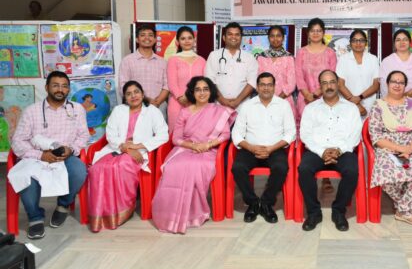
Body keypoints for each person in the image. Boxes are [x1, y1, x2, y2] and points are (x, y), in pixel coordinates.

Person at [8, 71, 89, 239]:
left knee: (79, 171)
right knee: (26, 176)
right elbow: (18, 140)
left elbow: (83, 136)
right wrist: (40, 155)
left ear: (68, 90)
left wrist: (71, 149)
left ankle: (63, 205)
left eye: (64, 86)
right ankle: (35, 218)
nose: (60, 89)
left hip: (65, 156)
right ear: (46, 88)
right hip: (37, 157)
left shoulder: (77, 109)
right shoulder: (32, 111)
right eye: (55, 85)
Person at [152, 76, 235, 233]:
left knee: (196, 166)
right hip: (185, 149)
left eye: (205, 89)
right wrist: (193, 146)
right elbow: (176, 138)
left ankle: (193, 214)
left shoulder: (219, 111)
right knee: (174, 166)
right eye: (198, 90)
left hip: (209, 150)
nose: (202, 93)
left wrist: (207, 145)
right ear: (192, 92)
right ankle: (172, 215)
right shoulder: (184, 112)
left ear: (211, 92)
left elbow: (225, 135)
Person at [87, 81, 168, 232]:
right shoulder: (118, 110)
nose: (133, 96)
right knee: (97, 169)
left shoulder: (152, 111)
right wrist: (125, 147)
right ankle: (101, 214)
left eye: (136, 92)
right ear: (124, 97)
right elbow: (110, 134)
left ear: (142, 94)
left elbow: (163, 135)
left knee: (122, 166)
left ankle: (122, 210)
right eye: (129, 94)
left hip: (140, 151)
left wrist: (138, 146)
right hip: (116, 148)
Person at [368, 70, 412, 226]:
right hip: (388, 148)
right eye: (394, 82)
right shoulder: (378, 105)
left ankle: (403, 209)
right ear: (387, 84)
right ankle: (408, 208)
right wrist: (399, 149)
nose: (397, 85)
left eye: (401, 82)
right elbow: (376, 136)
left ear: (405, 86)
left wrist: (409, 149)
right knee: (387, 173)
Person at [298, 70, 362, 232]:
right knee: (304, 169)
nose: (329, 86)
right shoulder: (311, 108)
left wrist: (339, 150)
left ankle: (338, 211)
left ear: (338, 84)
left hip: (343, 150)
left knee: (352, 170)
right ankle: (314, 213)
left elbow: (355, 134)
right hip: (317, 150)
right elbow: (305, 134)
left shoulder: (351, 108)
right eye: (325, 83)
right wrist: (322, 151)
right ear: (320, 86)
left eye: (332, 82)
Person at [231, 72, 296, 223]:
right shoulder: (247, 106)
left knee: (281, 167)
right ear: (257, 87)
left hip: (275, 148)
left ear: (274, 87)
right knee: (238, 168)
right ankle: (253, 202)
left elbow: (291, 132)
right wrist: (251, 148)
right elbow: (237, 133)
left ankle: (266, 202)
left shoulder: (283, 105)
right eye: (262, 85)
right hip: (250, 149)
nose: (266, 88)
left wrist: (271, 148)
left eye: (269, 85)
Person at [205, 22, 258, 110]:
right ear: (224, 37)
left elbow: (252, 82)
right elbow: (209, 81)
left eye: (237, 34)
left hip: (242, 106)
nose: (233, 37)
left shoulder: (249, 57)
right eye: (230, 34)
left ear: (241, 38)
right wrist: (223, 101)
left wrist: (237, 101)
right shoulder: (214, 55)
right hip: (219, 105)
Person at [119, 24, 169, 113]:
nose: (147, 38)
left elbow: (167, 85)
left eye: (150, 35)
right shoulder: (127, 61)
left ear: (155, 40)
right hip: (135, 108)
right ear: (137, 39)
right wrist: (145, 100)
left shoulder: (163, 62)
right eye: (142, 35)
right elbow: (123, 86)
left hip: (159, 108)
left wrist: (157, 102)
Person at [295, 18, 337, 122]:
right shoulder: (301, 52)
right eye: (312, 30)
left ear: (323, 33)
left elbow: (333, 76)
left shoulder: (330, 53)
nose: (315, 33)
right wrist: (307, 95)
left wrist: (315, 94)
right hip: (305, 99)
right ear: (308, 33)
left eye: (318, 31)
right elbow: (298, 77)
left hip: (325, 97)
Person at [379, 29, 412, 115]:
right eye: (398, 40)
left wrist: (406, 95)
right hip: (392, 103)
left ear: (410, 42)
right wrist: (395, 98)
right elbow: (383, 83)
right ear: (394, 43)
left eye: (405, 39)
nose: (402, 42)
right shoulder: (387, 61)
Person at [167, 26, 206, 131]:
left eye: (189, 38)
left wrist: (194, 98)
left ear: (194, 40)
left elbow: (204, 83)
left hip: (197, 103)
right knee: (176, 135)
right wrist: (181, 97)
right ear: (177, 42)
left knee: (196, 135)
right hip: (177, 103)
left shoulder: (202, 60)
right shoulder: (173, 60)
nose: (187, 41)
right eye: (183, 38)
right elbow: (172, 83)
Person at [337, 29, 380, 118]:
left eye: (361, 40)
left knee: (368, 126)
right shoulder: (343, 59)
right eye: (355, 40)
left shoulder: (373, 59)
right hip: (348, 104)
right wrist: (356, 103)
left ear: (366, 43)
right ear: (350, 43)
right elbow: (340, 85)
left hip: (369, 104)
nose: (358, 43)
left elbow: (376, 85)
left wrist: (359, 98)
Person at [256, 25, 297, 119]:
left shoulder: (289, 57)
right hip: (264, 102)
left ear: (283, 38)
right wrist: (268, 99)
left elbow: (291, 84)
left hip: (285, 101)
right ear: (268, 38)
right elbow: (257, 81)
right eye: (272, 36)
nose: (275, 39)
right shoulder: (261, 57)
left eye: (278, 36)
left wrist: (276, 100)